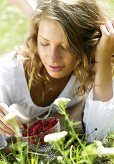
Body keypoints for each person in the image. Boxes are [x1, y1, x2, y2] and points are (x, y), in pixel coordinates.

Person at [0, 0, 114, 149]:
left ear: (86, 45)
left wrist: (103, 60)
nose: (52, 58)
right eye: (45, 44)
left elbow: (101, 137)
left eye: (65, 47)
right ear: (36, 38)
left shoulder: (89, 66)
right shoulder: (11, 71)